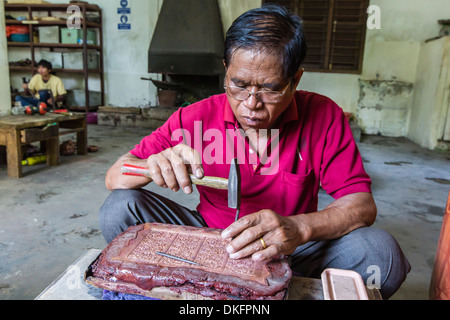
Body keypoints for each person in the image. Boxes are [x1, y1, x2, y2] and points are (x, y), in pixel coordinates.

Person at [99, 4, 410, 299]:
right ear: (225, 70)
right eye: (238, 84)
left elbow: (362, 205)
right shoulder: (193, 118)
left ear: (295, 79)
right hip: (207, 243)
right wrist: (151, 166)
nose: (251, 103)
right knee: (119, 206)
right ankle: (202, 281)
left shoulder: (324, 116)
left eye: (270, 88)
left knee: (381, 254)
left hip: (288, 249)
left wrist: (299, 227)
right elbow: (114, 176)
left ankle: (269, 286)